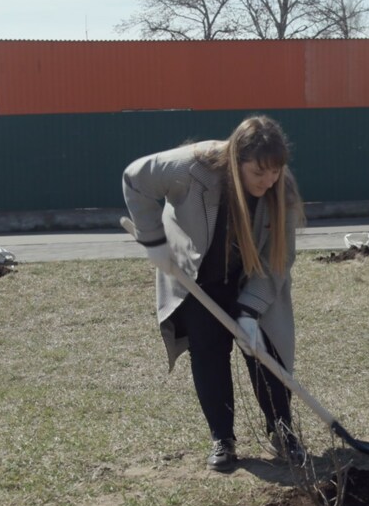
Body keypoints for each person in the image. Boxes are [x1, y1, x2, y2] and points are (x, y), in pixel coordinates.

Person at [123, 115, 305, 472]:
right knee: (208, 352)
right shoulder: (192, 167)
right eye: (258, 174)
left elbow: (278, 260)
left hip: (249, 278)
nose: (268, 182)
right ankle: (223, 438)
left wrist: (250, 312)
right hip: (197, 277)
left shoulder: (281, 185)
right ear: (236, 161)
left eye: (274, 173)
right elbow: (135, 178)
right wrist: (154, 241)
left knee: (267, 352)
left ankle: (283, 432)